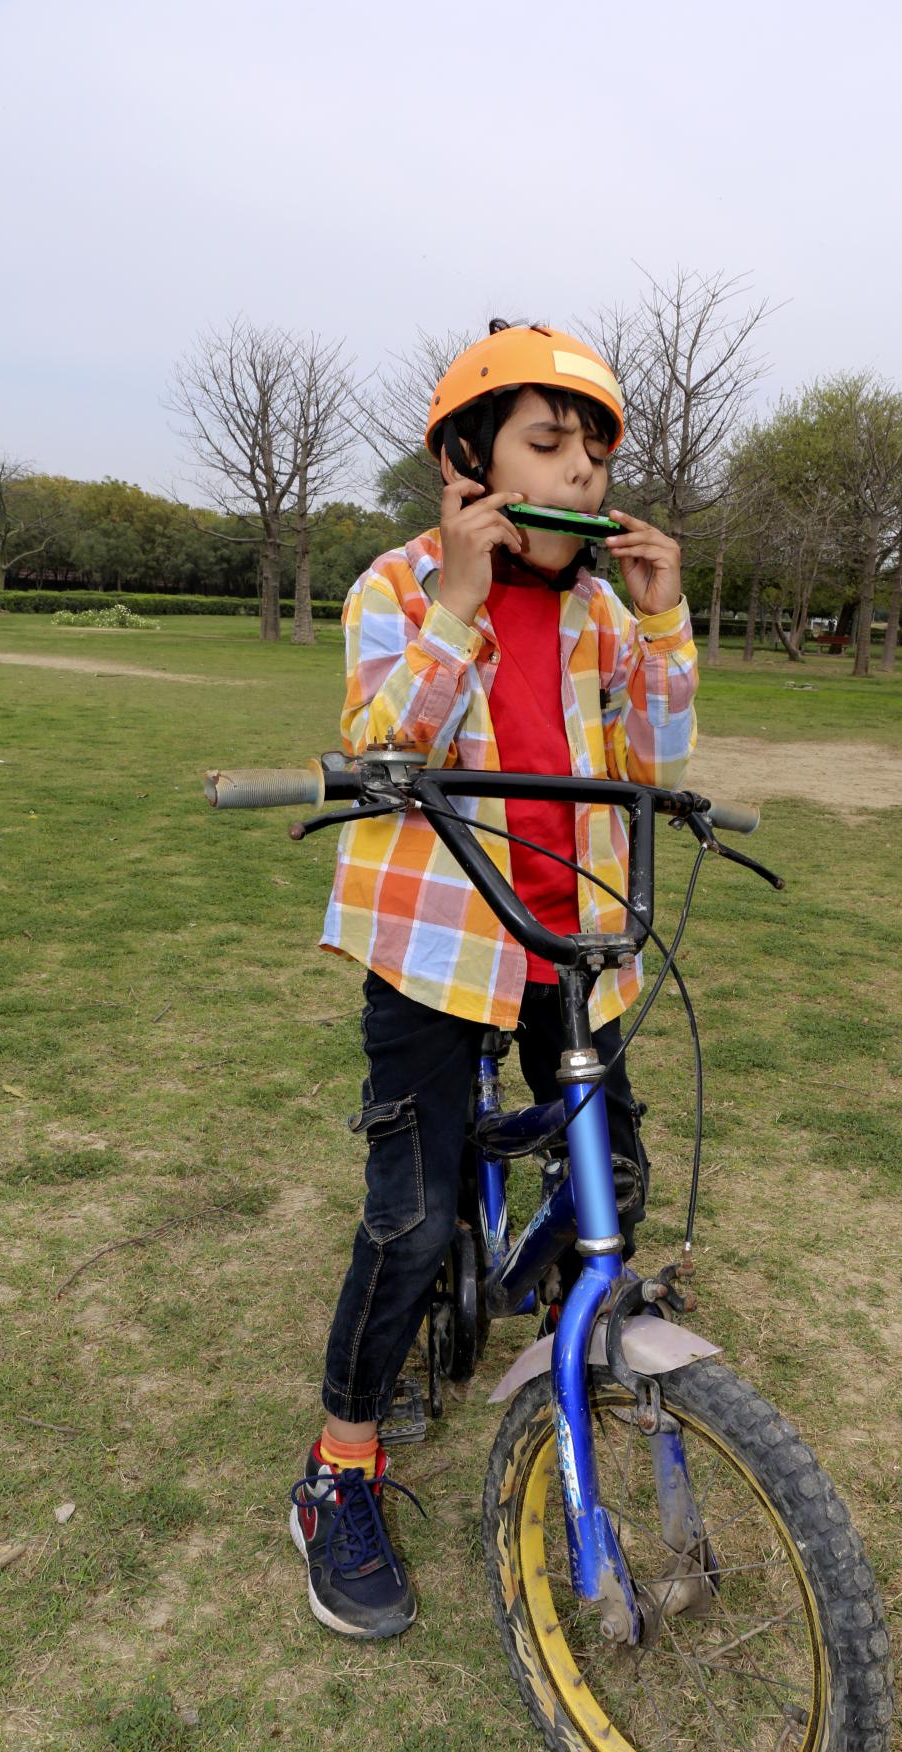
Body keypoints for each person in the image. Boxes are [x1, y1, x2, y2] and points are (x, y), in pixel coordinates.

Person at [290, 320, 698, 1639]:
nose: (579, 477)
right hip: (438, 946)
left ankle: (538, 1286)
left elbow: (649, 756)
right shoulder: (395, 589)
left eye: (594, 454)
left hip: (570, 940)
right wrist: (460, 605)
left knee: (615, 1184)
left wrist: (661, 617)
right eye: (545, 446)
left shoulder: (594, 613)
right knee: (407, 1221)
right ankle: (337, 1468)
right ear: (467, 464)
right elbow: (378, 741)